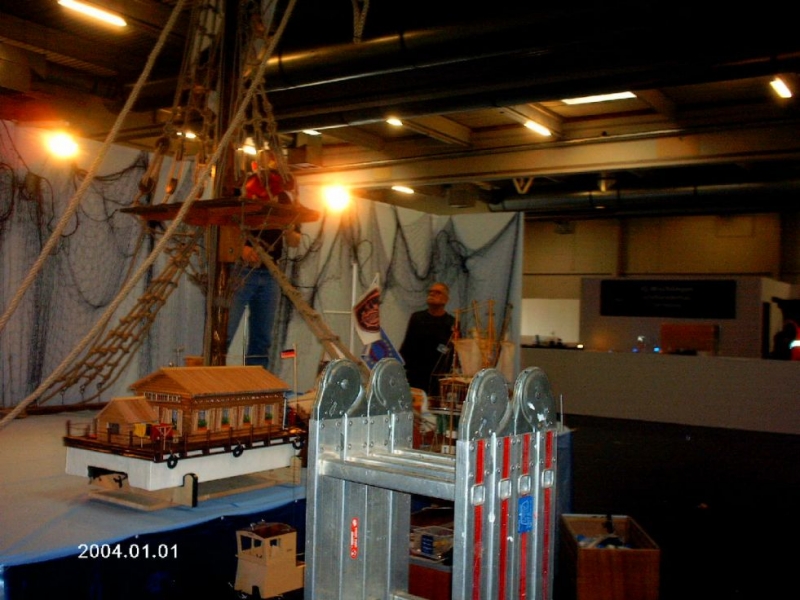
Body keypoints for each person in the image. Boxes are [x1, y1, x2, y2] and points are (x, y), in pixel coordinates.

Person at [227, 156, 300, 371]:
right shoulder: (243, 192)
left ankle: (256, 382)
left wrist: (287, 227)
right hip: (242, 270)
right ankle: (211, 379)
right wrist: (241, 249)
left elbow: (294, 240)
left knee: (262, 339)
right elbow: (225, 227)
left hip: (270, 272)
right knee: (224, 333)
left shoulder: (284, 199)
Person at [399, 282, 456, 396]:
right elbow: (407, 345)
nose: (432, 294)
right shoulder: (417, 318)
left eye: (437, 292)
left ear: (445, 300)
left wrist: (441, 349)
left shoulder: (451, 323)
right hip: (415, 375)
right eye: (430, 292)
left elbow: (452, 351)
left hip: (438, 377)